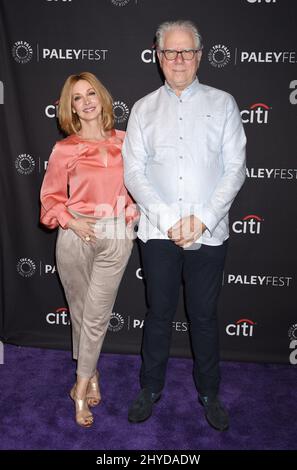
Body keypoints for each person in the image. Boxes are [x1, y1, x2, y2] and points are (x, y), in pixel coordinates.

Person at [123, 20, 246, 431]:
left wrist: (204, 219)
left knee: (205, 316)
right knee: (158, 313)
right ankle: (150, 387)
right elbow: (134, 173)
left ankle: (209, 392)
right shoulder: (143, 108)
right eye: (170, 52)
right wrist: (169, 219)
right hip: (158, 233)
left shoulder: (224, 103)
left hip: (209, 233)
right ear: (158, 57)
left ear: (199, 55)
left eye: (187, 52)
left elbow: (235, 169)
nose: (179, 60)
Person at [40, 72, 137, 427]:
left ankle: (78, 390)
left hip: (115, 233)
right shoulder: (65, 148)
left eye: (91, 93)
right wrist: (69, 220)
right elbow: (50, 196)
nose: (86, 101)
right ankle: (92, 373)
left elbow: (141, 187)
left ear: (102, 97)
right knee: (80, 312)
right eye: (77, 98)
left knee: (96, 315)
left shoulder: (127, 141)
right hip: (75, 233)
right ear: (71, 108)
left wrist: (129, 216)